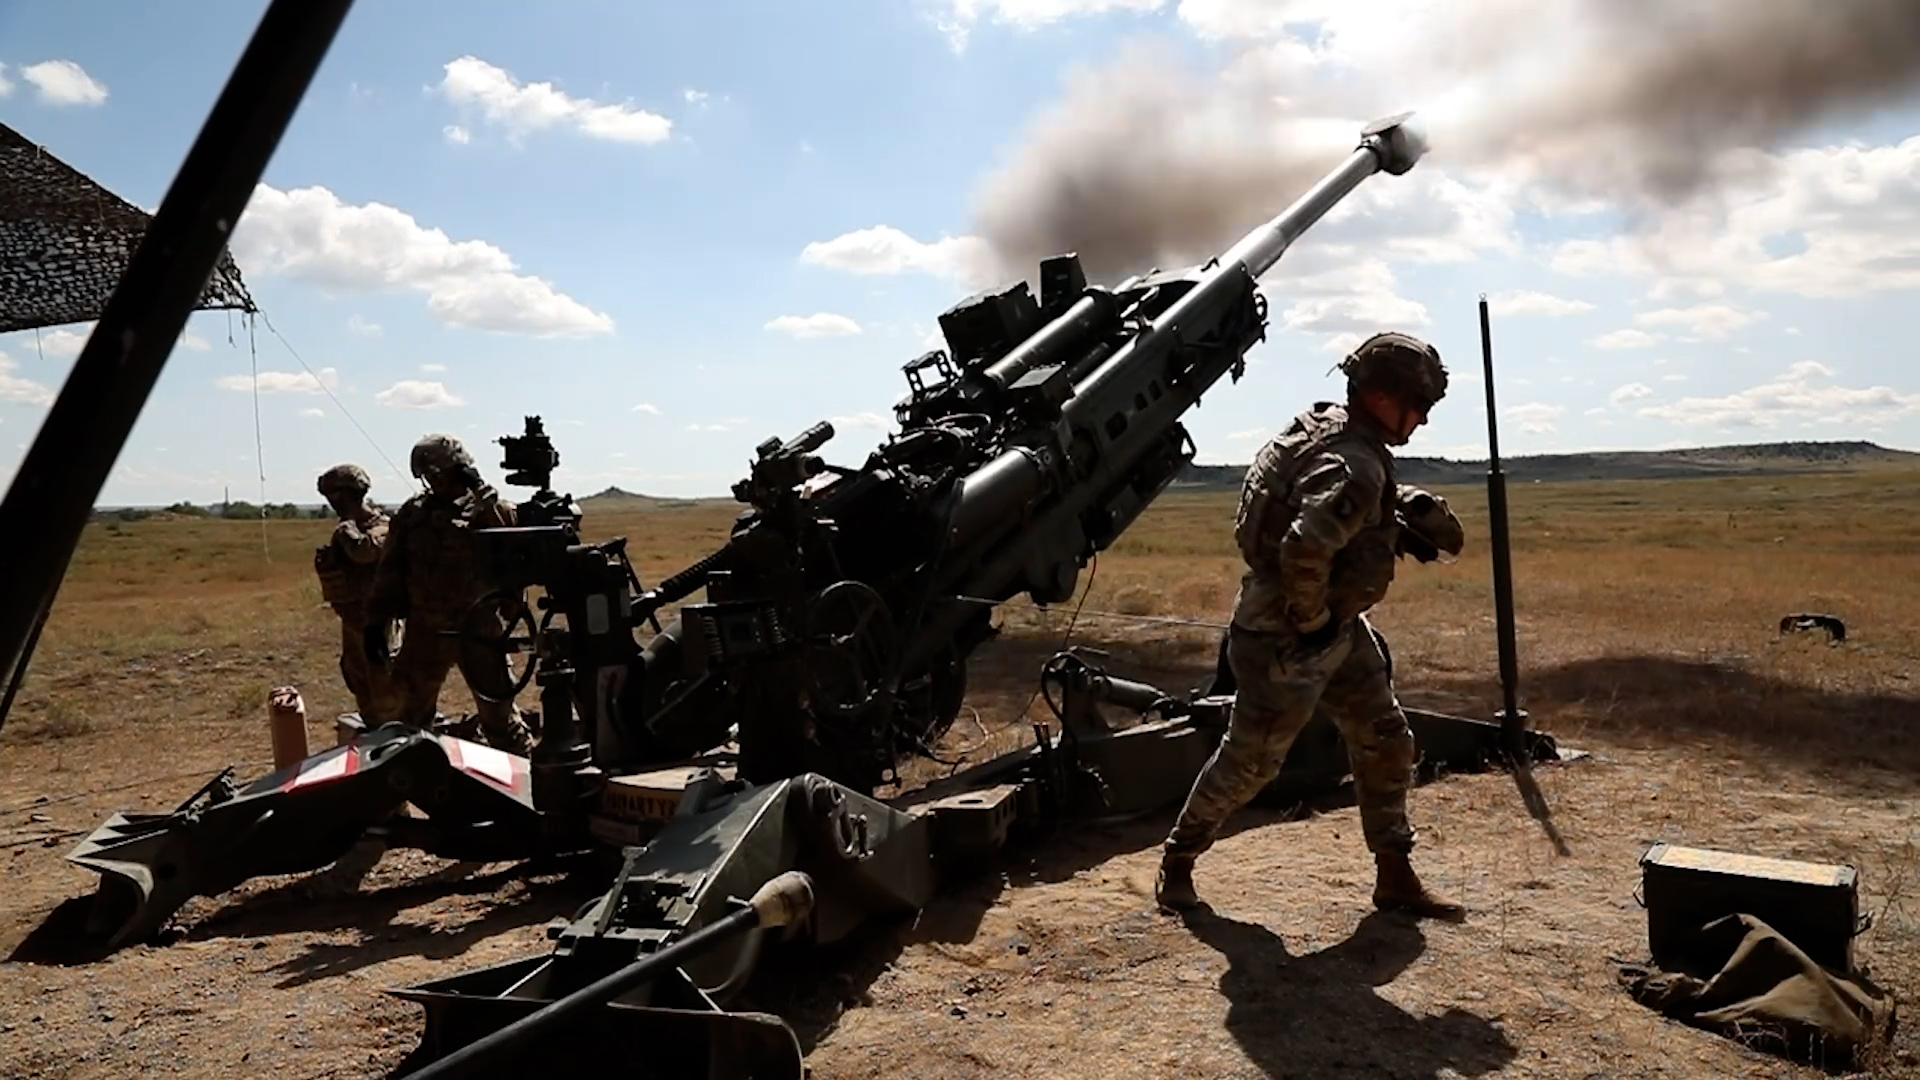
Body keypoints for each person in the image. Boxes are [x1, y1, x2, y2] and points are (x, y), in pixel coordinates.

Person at [1156, 331, 1467, 920]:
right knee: (1250, 763)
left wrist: (1392, 522)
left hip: (1334, 628)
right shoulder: (1355, 466)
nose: (1422, 420)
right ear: (1379, 395)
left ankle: (1395, 875)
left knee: (1385, 737)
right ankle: (1179, 860)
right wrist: (1316, 621)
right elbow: (1303, 550)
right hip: (1290, 635)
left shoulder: (1328, 428)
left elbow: (1305, 507)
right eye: (1417, 404)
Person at [365, 434, 534, 754]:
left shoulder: (492, 509)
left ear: (458, 469)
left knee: (500, 721)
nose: (433, 483)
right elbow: (389, 571)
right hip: (425, 631)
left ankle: (524, 793)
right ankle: (402, 794)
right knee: (409, 723)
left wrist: (486, 505)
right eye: (427, 477)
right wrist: (376, 620)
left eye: (437, 474)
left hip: (480, 630)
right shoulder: (413, 514)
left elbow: (514, 559)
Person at [312, 464, 392, 719]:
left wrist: (346, 528)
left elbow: (365, 551)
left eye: (337, 495)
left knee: (384, 679)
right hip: (353, 618)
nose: (333, 502)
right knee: (359, 678)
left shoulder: (381, 525)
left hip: (380, 620)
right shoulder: (347, 528)